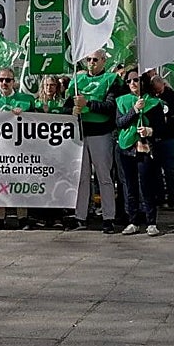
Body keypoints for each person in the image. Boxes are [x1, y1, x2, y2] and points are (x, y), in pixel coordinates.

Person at [62, 50, 126, 233]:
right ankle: (80, 216)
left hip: (101, 134)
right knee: (81, 178)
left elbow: (111, 107)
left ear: (104, 61)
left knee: (104, 177)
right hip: (80, 134)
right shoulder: (77, 80)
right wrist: (71, 111)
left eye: (95, 60)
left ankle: (108, 217)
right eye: (88, 59)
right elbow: (66, 107)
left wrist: (88, 104)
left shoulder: (111, 79)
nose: (91, 63)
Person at [0, 68, 37, 229]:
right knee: (0, 181)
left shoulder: (26, 100)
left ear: (14, 82)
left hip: (20, 147)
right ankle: (0, 217)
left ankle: (23, 217)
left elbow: (35, 120)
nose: (4, 83)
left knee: (20, 180)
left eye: (7, 80)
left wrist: (23, 114)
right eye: (1, 80)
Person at [115, 69, 166, 236]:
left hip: (145, 148)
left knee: (147, 184)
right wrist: (134, 111)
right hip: (126, 148)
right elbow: (120, 123)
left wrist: (150, 131)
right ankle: (133, 221)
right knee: (129, 186)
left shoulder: (154, 103)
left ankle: (151, 221)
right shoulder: (122, 101)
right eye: (129, 81)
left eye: (135, 80)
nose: (132, 84)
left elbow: (162, 128)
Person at [148, 73, 174, 211]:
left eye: (159, 90)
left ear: (164, 85)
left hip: (169, 137)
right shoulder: (150, 96)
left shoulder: (172, 97)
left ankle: (172, 199)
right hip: (155, 137)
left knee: (170, 170)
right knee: (156, 170)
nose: (157, 93)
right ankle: (159, 198)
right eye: (155, 90)